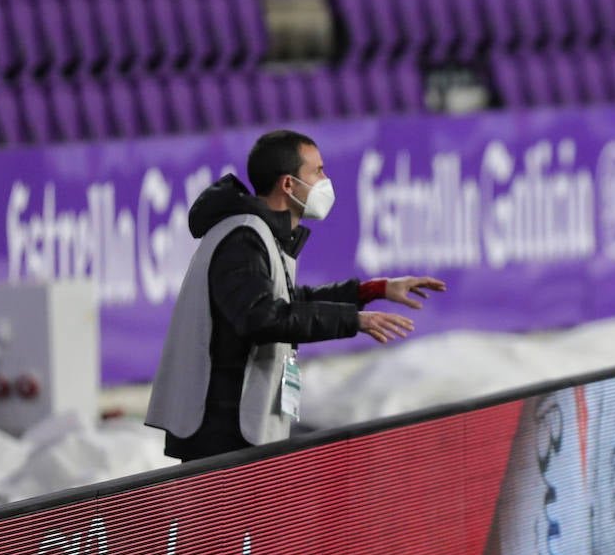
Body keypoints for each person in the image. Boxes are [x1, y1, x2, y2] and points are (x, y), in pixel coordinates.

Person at [146, 129, 446, 462]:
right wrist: (354, 321)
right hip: (223, 431)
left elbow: (287, 300)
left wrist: (373, 291)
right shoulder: (243, 238)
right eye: (317, 171)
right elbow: (263, 316)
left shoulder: (260, 233)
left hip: (239, 424)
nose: (326, 180)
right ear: (288, 184)